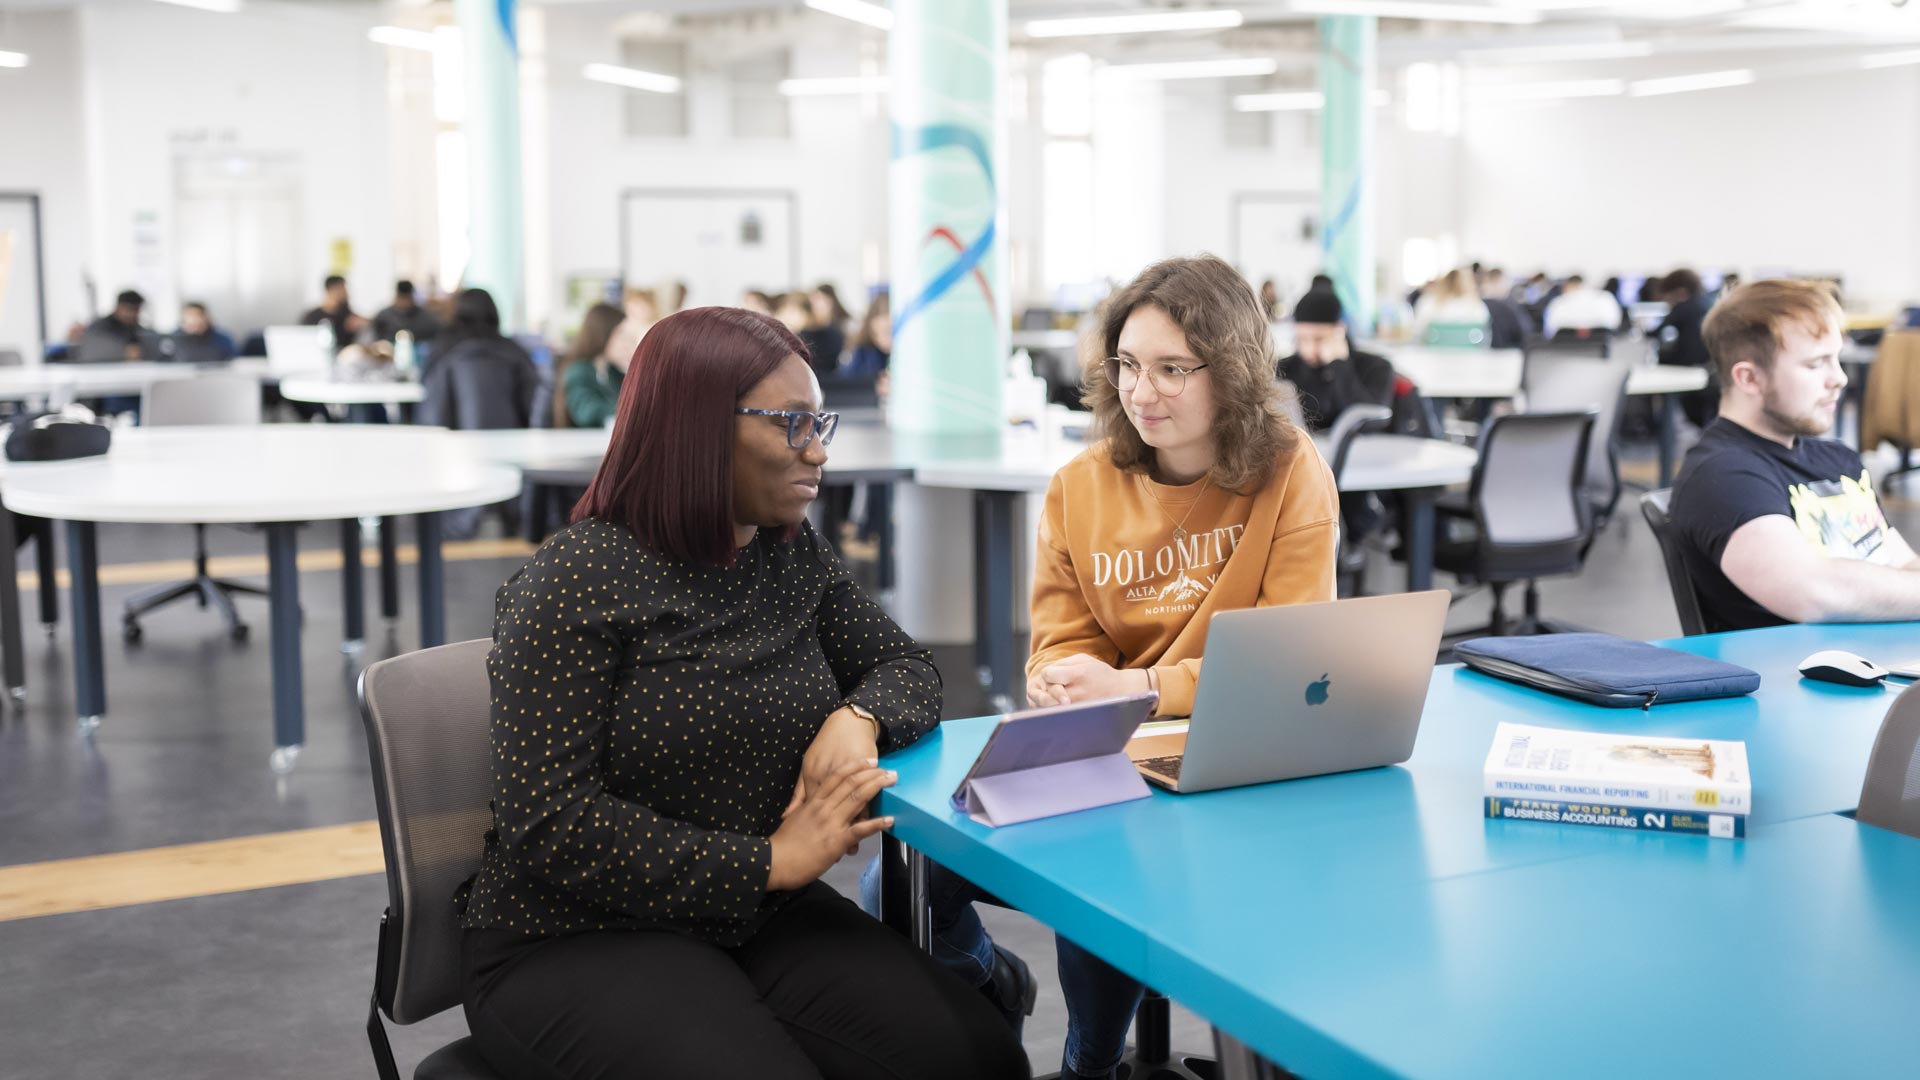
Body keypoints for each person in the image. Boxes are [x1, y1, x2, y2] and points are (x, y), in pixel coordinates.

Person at [459, 304, 1030, 1080]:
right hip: (575, 934)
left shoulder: (787, 555)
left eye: (817, 423)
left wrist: (856, 718)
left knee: (976, 1056)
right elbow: (551, 822)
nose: (818, 451)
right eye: (791, 424)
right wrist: (764, 862)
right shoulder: (575, 582)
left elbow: (909, 670)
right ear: (694, 428)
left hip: (758, 917)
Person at [862, 255, 1339, 1080]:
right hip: (1108, 746)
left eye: (1171, 369)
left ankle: (1091, 1066)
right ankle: (993, 982)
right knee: (892, 890)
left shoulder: (1290, 471)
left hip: (1241, 758)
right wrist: (1063, 678)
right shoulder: (1079, 486)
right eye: (1126, 366)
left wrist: (1138, 687)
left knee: (1114, 876)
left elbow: (1288, 664)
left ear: (1231, 370)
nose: (1141, 391)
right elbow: (1058, 642)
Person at [1669, 279, 1920, 633]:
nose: (1840, 378)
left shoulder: (1839, 461)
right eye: (1817, 364)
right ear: (1749, 379)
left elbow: (1905, 564)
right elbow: (1813, 591)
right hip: (1799, 681)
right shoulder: (1721, 475)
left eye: (1837, 359)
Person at [418, 288, 539, 431]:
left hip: (451, 444)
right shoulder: (514, 351)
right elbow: (533, 403)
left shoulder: (442, 350)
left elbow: (428, 399)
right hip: (510, 442)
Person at [1276, 289, 1393, 433]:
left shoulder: (1375, 368)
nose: (1309, 349)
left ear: (1340, 331)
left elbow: (1370, 423)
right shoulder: (1282, 369)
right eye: (1302, 339)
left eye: (1319, 339)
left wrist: (1339, 365)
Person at [553, 301, 627, 428]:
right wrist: (626, 411)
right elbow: (586, 412)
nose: (625, 342)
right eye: (620, 334)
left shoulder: (613, 372)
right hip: (584, 444)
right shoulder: (578, 371)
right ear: (603, 333)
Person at [1657, 268, 1716, 426]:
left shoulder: (1683, 308)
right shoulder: (1709, 302)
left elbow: (1657, 332)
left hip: (1685, 369)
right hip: (1708, 369)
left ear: (1679, 291)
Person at [1411, 268, 1490, 340]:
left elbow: (1417, 331)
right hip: (1468, 354)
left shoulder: (1428, 303)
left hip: (1434, 354)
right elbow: (1484, 331)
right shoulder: (1476, 306)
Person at [77, 289, 150, 362]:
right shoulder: (99, 328)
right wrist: (123, 353)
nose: (133, 314)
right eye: (130, 309)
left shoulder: (136, 330)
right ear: (119, 307)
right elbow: (91, 351)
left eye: (137, 310)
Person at [1542, 275, 1622, 339]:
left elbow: (1549, 330)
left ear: (1569, 285)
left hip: (1564, 346)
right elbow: (1615, 322)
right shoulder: (1605, 298)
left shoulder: (1559, 302)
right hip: (1601, 343)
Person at [299, 274, 369, 348]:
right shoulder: (311, 317)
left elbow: (366, 321)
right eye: (342, 290)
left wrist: (365, 323)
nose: (347, 294)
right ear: (329, 291)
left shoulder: (346, 314)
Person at [371, 280, 443, 345]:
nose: (404, 302)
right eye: (401, 298)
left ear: (412, 298)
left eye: (406, 298)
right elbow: (375, 339)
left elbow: (435, 338)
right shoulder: (384, 316)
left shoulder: (426, 318)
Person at [163, 302, 236, 363]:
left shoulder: (223, 340)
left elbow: (234, 362)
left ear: (206, 318)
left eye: (197, 315)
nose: (194, 320)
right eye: (190, 316)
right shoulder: (172, 340)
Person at [803, 284, 850, 375]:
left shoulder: (845, 324)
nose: (815, 304)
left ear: (830, 301)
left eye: (818, 299)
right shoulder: (810, 329)